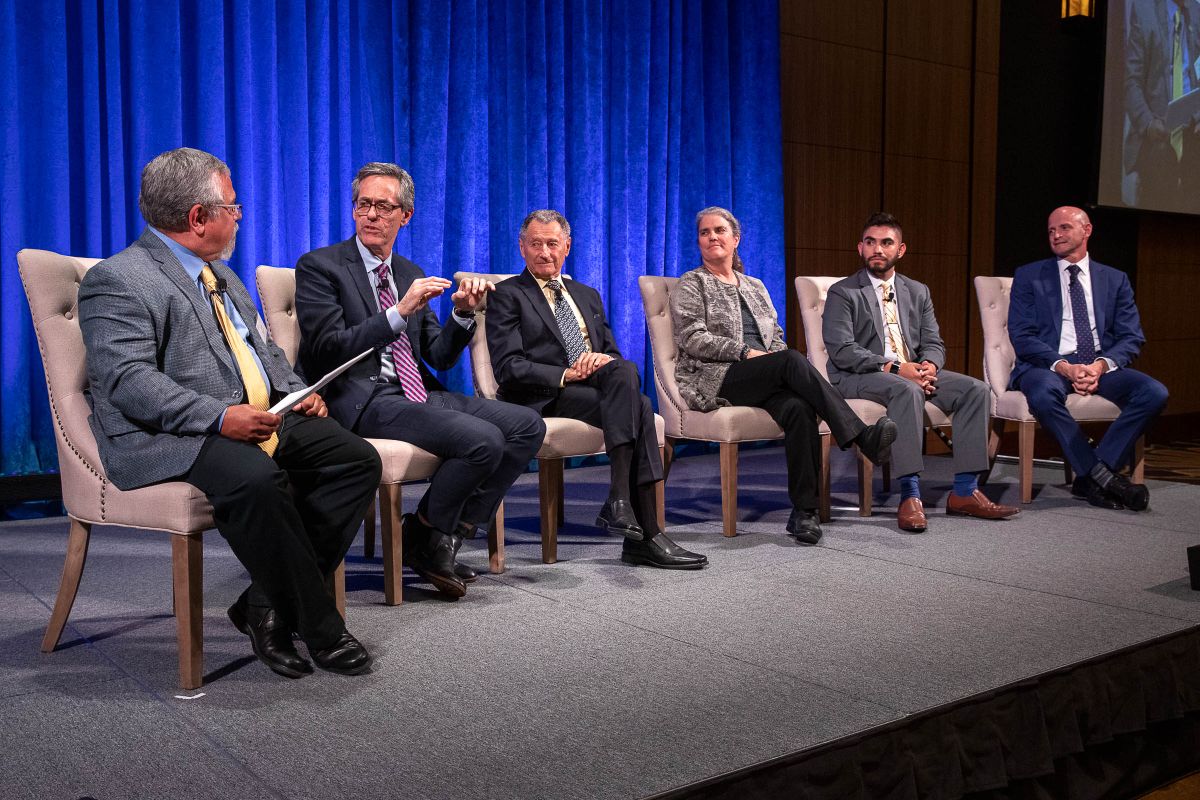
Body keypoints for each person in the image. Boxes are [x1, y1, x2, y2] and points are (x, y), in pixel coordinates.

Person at [78, 147, 381, 679]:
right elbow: (129, 383)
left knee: (353, 459)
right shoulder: (118, 279)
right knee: (256, 481)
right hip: (169, 434)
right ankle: (319, 627)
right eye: (233, 206)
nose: (240, 215)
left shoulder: (223, 274)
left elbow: (263, 352)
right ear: (199, 218)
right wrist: (220, 417)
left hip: (259, 418)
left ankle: (263, 606)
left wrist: (296, 389)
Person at [295, 163, 545, 598]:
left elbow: (438, 355)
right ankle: (429, 536)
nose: (371, 215)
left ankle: (437, 536)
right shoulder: (321, 267)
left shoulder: (409, 272)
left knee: (527, 426)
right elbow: (327, 347)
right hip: (363, 398)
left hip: (417, 393)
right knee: (483, 440)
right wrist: (397, 313)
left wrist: (464, 314)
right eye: (363, 205)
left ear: (405, 215)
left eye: (383, 207)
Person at [486, 209, 707, 569]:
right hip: (544, 395)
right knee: (640, 404)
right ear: (521, 248)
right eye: (536, 244)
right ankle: (641, 527)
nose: (545, 252)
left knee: (625, 373)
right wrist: (567, 373)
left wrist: (598, 361)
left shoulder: (586, 294)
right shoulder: (507, 294)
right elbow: (508, 367)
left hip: (595, 387)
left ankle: (623, 506)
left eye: (552, 244)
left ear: (567, 247)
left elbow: (612, 354)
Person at [670, 206, 898, 544]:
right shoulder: (692, 283)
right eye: (705, 233)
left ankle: (804, 513)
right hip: (717, 376)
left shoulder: (755, 286)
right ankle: (861, 437)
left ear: (736, 239)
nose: (712, 237)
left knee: (799, 408)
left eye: (719, 231)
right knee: (791, 360)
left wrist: (771, 355)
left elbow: (774, 336)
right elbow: (691, 337)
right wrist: (746, 352)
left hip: (762, 375)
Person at [822, 212, 1018, 533]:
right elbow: (842, 349)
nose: (877, 249)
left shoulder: (917, 291)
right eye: (870, 242)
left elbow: (934, 342)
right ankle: (910, 495)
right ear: (860, 248)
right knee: (906, 389)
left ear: (900, 250)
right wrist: (897, 368)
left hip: (910, 372)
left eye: (886, 243)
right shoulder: (844, 292)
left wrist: (929, 366)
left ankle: (965, 492)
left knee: (976, 391)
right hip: (857, 375)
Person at [1008, 206, 1168, 510]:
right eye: (1051, 230)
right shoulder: (1029, 276)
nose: (1056, 235)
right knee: (1042, 392)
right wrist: (1066, 367)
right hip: (1049, 365)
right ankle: (1099, 475)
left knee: (1153, 392)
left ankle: (1092, 475)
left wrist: (1099, 366)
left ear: (1087, 230)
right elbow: (1023, 335)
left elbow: (1132, 336)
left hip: (1098, 365)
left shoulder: (1115, 279)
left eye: (1065, 228)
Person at [1124, 0, 1200, 213]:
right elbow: (1132, 81)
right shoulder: (1144, 11)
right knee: (1159, 167)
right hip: (1157, 131)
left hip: (1192, 127)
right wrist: (1148, 123)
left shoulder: (1196, 12)